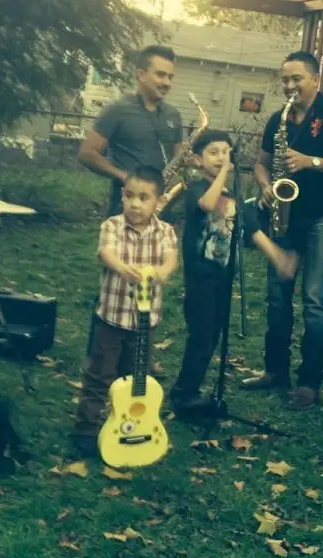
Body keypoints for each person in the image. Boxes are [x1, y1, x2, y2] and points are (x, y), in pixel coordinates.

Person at [240, 51, 323, 410]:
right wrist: (266, 186)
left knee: (313, 301)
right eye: (285, 79)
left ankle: (309, 383)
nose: (290, 85)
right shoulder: (277, 119)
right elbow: (261, 165)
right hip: (284, 217)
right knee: (277, 297)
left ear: (315, 80)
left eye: (297, 78)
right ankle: (275, 371)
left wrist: (312, 161)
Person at [168, 130, 298, 412]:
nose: (221, 158)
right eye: (213, 152)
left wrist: (279, 258)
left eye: (226, 152)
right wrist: (224, 173)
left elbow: (252, 231)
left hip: (223, 277)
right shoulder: (196, 188)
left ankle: (191, 391)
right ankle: (183, 394)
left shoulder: (233, 197)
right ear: (197, 160)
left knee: (212, 336)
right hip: (200, 277)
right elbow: (206, 205)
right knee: (201, 337)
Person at [78, 44, 183, 376]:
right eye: (160, 74)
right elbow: (87, 153)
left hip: (161, 207)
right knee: (115, 280)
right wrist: (126, 178)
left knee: (151, 281)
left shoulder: (173, 115)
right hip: (127, 205)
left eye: (170, 76)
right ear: (140, 74)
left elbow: (178, 157)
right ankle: (98, 355)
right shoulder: (117, 110)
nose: (166, 82)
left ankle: (142, 353)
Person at [72, 166, 178, 457]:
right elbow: (106, 252)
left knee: (135, 380)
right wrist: (122, 267)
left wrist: (162, 272)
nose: (135, 204)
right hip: (111, 319)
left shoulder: (165, 232)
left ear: (158, 201)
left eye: (144, 198)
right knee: (99, 376)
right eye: (129, 196)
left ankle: (126, 425)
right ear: (122, 196)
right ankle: (85, 429)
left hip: (145, 323)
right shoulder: (112, 226)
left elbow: (171, 259)